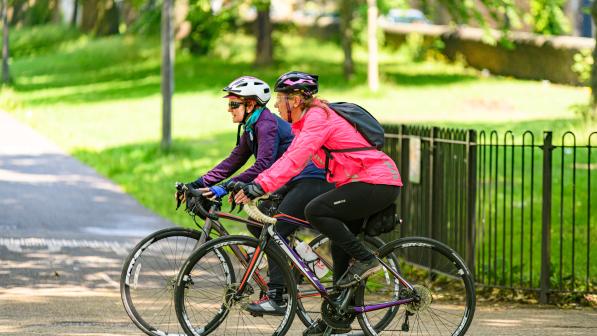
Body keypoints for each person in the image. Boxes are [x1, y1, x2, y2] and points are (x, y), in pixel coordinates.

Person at [233, 71, 402, 334]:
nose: (277, 105)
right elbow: (288, 160)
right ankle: (337, 319)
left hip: (376, 181)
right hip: (361, 182)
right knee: (340, 248)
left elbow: (296, 159)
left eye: (280, 99)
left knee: (316, 210)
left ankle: (367, 260)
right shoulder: (307, 123)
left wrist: (259, 185)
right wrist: (263, 185)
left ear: (296, 100)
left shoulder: (318, 119)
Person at [183, 75, 332, 316]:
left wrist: (226, 187)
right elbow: (234, 160)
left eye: (234, 104)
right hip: (290, 180)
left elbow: (263, 163)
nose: (229, 110)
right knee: (256, 224)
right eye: (229, 104)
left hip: (311, 178)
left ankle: (277, 296)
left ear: (250, 104)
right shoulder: (252, 125)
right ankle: (301, 262)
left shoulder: (266, 124)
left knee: (275, 232)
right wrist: (199, 183)